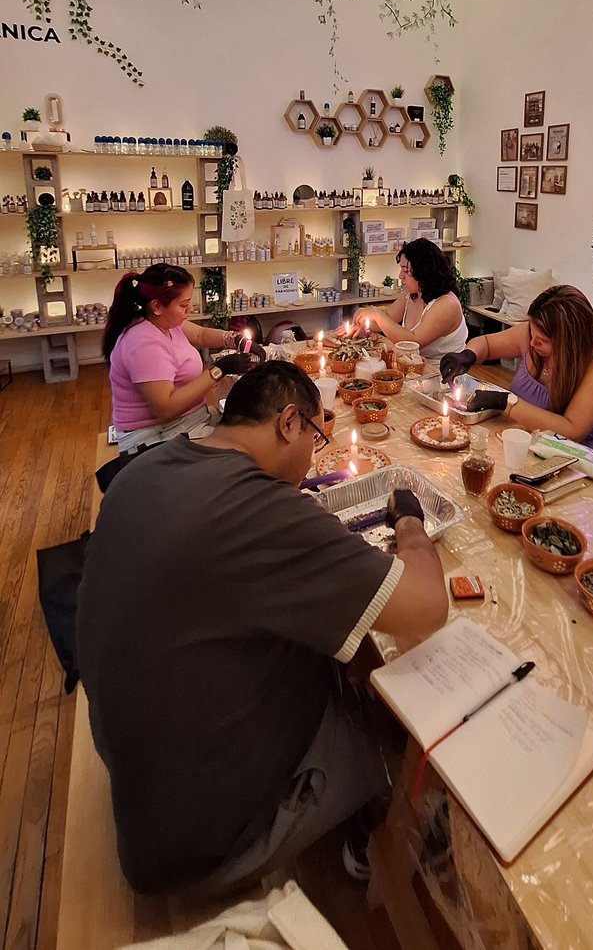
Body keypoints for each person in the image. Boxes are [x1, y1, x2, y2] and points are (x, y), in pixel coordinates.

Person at [77, 360, 448, 895]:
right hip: (196, 846)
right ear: (289, 423)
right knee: (379, 694)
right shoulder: (256, 508)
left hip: (143, 786)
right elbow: (427, 605)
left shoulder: (149, 469)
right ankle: (375, 836)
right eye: (317, 438)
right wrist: (410, 523)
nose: (313, 457)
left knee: (323, 636)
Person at [440, 284, 593, 447]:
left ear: (569, 342)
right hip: (520, 445)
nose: (532, 343)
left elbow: (572, 432)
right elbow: (486, 344)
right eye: (532, 334)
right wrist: (468, 355)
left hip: (578, 467)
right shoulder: (534, 335)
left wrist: (506, 402)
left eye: (542, 341)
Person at [103, 264, 256, 454]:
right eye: (184, 305)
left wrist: (234, 339)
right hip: (154, 439)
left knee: (247, 426)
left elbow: (200, 334)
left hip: (188, 421)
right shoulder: (143, 343)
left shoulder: (163, 321)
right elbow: (165, 409)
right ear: (157, 306)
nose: (189, 309)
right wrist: (218, 370)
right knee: (247, 447)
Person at [342, 239, 468, 361]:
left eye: (406, 270)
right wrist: (363, 326)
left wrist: (376, 314)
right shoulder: (412, 293)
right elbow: (389, 318)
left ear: (424, 272)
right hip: (411, 364)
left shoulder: (446, 305)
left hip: (441, 374)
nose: (400, 276)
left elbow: (413, 342)